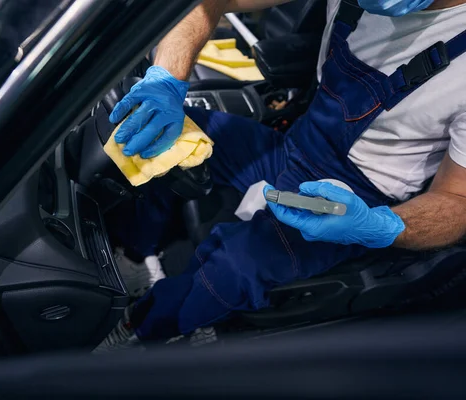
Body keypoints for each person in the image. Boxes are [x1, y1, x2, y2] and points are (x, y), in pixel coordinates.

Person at [95, 0, 466, 351]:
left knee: (237, 263)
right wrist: (167, 79)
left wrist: (380, 226)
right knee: (155, 142)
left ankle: (143, 331)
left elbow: (457, 201)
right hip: (296, 145)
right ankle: (135, 260)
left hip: (355, 198)